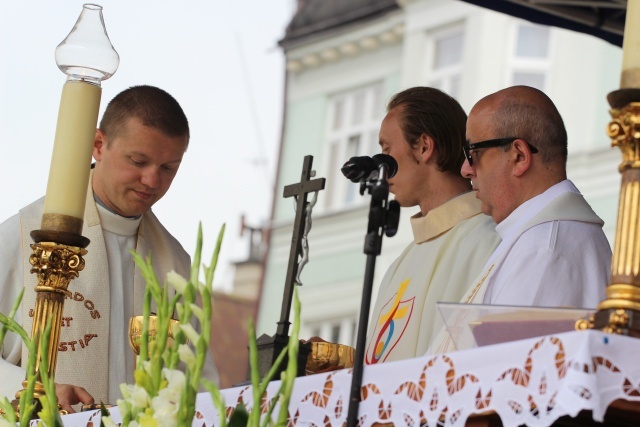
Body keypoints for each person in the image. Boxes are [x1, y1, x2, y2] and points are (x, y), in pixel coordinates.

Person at [0, 85, 219, 411]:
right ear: (99, 145)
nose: (152, 180)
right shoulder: (23, 236)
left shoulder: (174, 265)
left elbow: (197, 384)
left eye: (168, 167)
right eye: (138, 160)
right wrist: (34, 390)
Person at [363, 87, 501, 364]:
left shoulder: (489, 241)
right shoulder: (401, 263)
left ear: (425, 147)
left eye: (387, 149)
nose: (381, 165)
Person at [458, 85, 611, 308]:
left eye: (473, 153)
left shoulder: (544, 249)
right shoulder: (537, 239)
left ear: (519, 157)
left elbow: (511, 343)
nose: (465, 169)